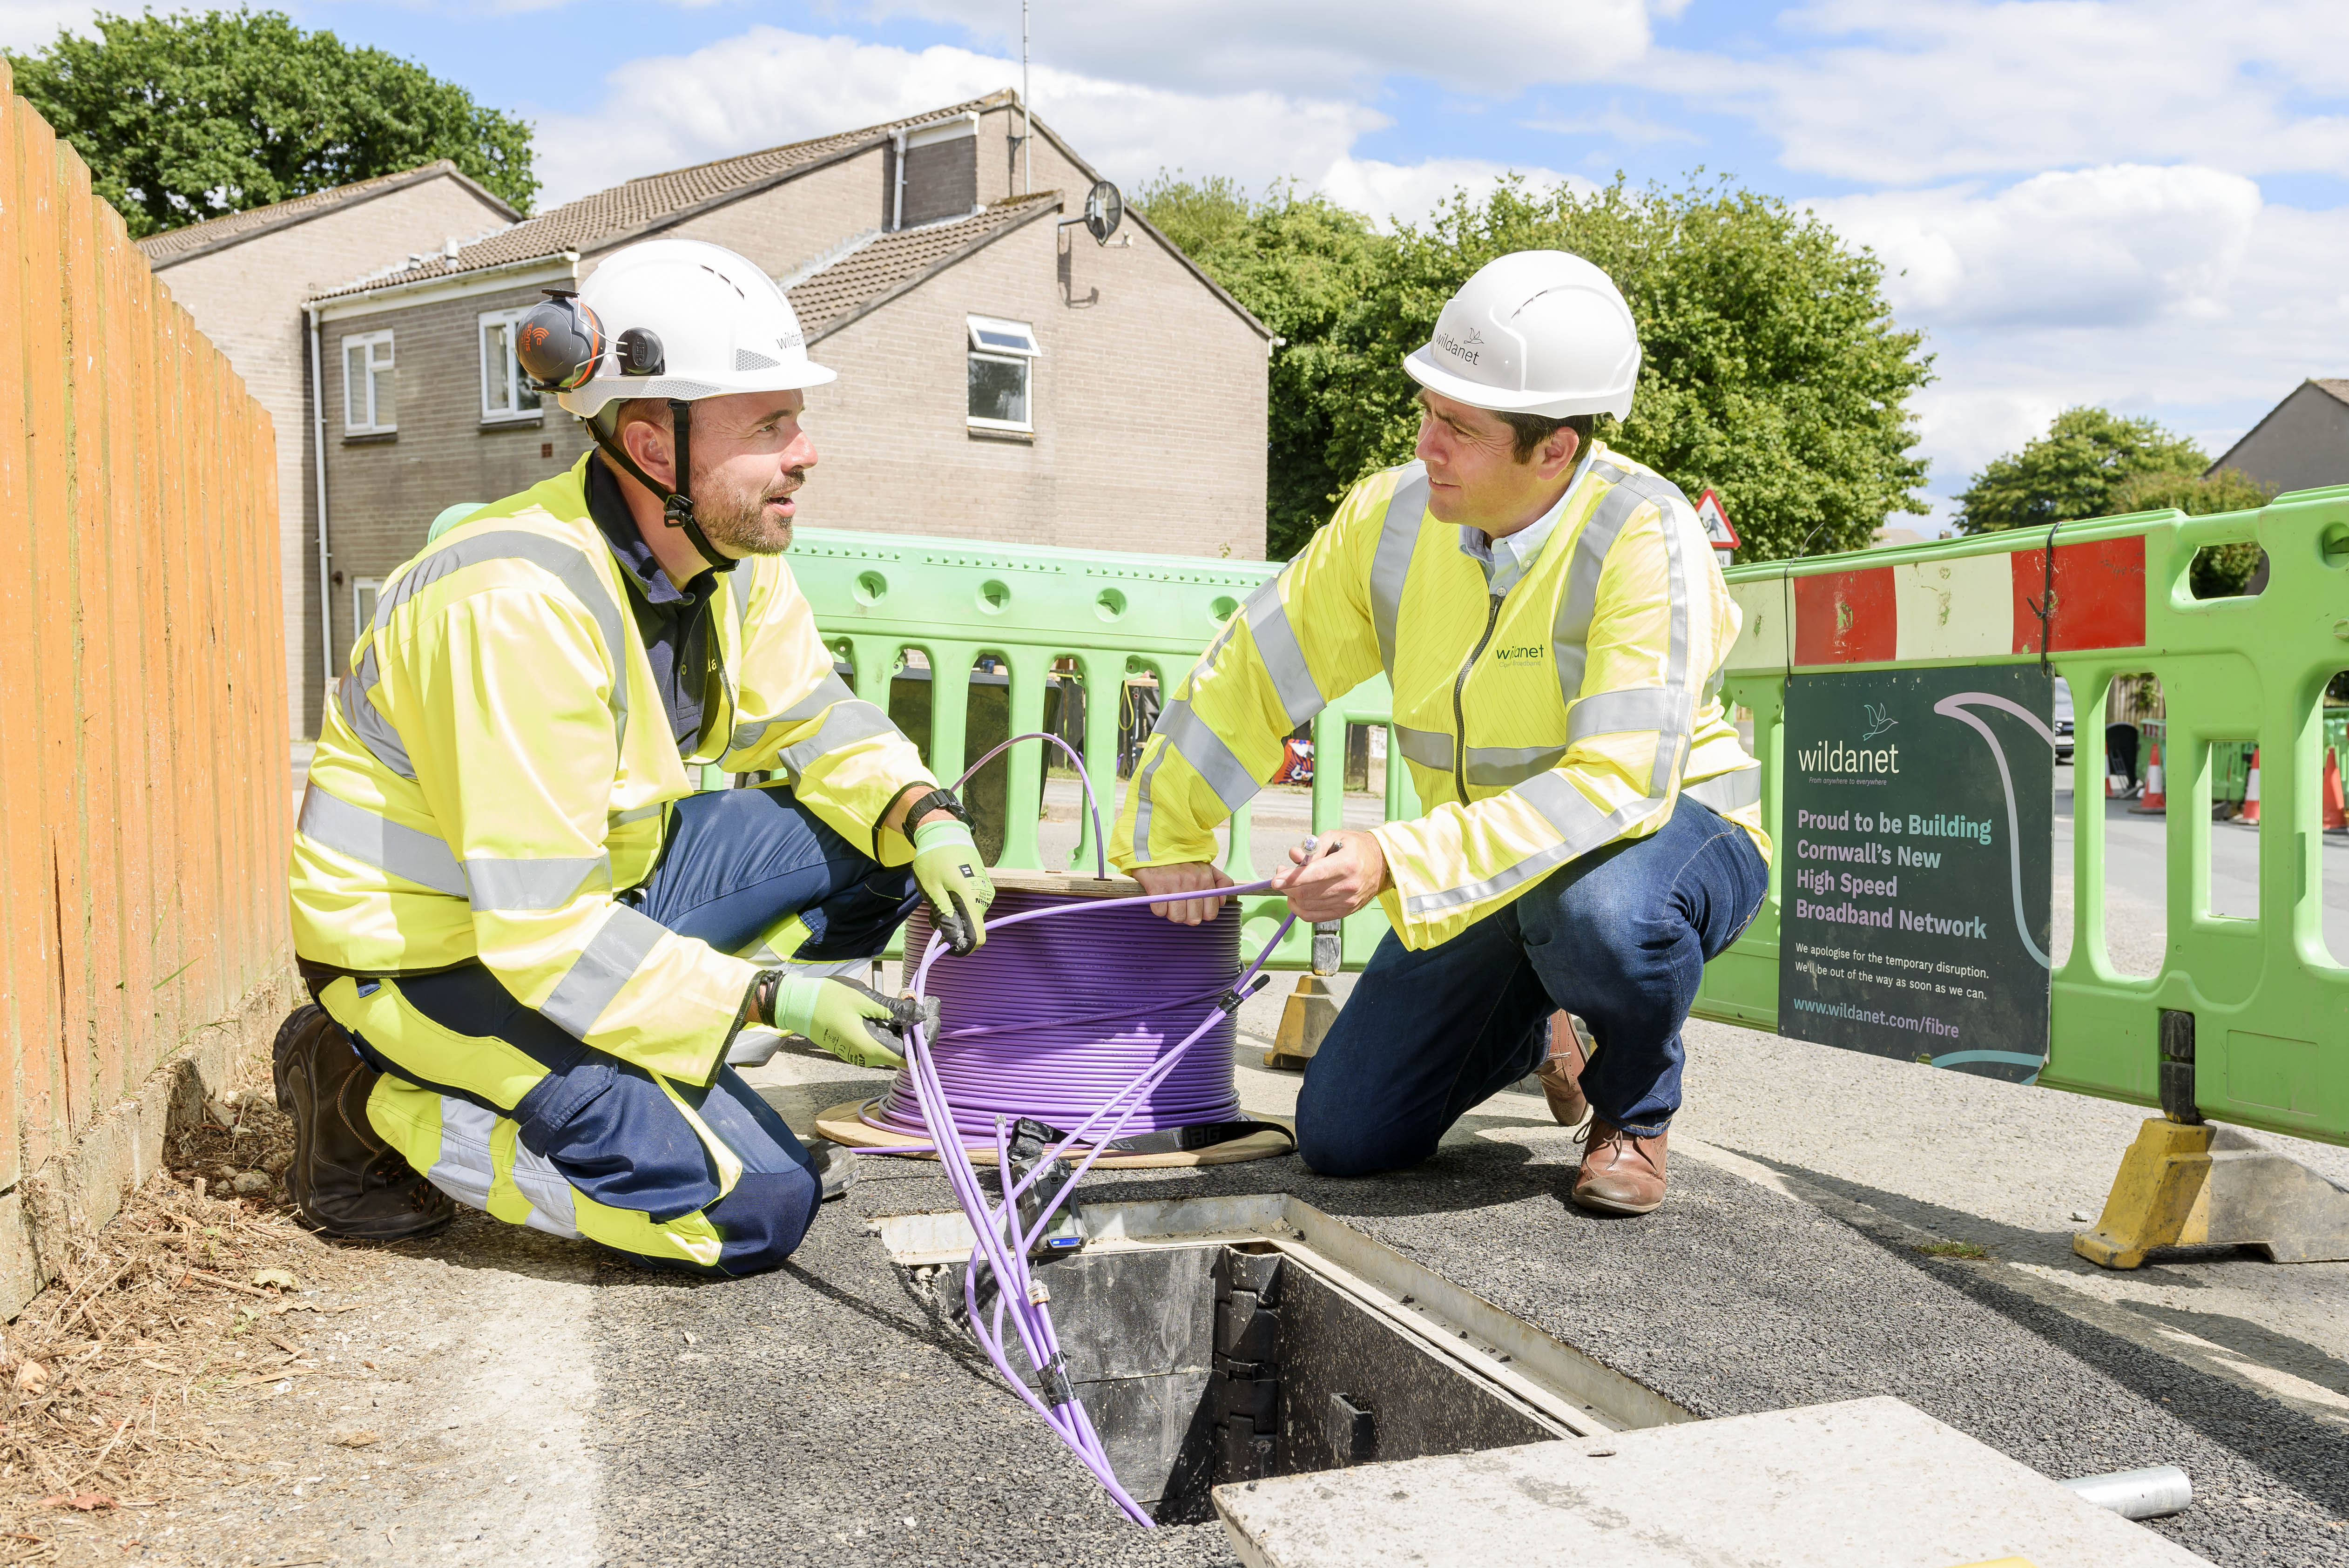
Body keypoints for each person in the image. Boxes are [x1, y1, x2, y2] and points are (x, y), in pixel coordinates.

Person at [277, 238, 995, 1273]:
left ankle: (658, 1053)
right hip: (437, 959)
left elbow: (812, 714)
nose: (806, 452)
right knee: (751, 1210)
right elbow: (540, 933)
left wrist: (924, 813)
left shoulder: (728, 551)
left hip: (593, 899)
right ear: (657, 449)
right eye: (770, 426)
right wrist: (762, 1001)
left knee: (878, 844)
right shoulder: (514, 607)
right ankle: (371, 1092)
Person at [1110, 250, 1771, 1215]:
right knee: (1345, 1137)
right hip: (1494, 867)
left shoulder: (1645, 534)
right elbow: (1254, 669)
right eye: (1426, 410)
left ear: (1555, 449)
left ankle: (1633, 1107)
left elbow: (1618, 785)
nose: (1426, 444)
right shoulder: (1389, 517)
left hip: (1667, 839)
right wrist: (1166, 835)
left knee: (1598, 917)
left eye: (1459, 427)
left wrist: (1394, 857)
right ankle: (1541, 1024)